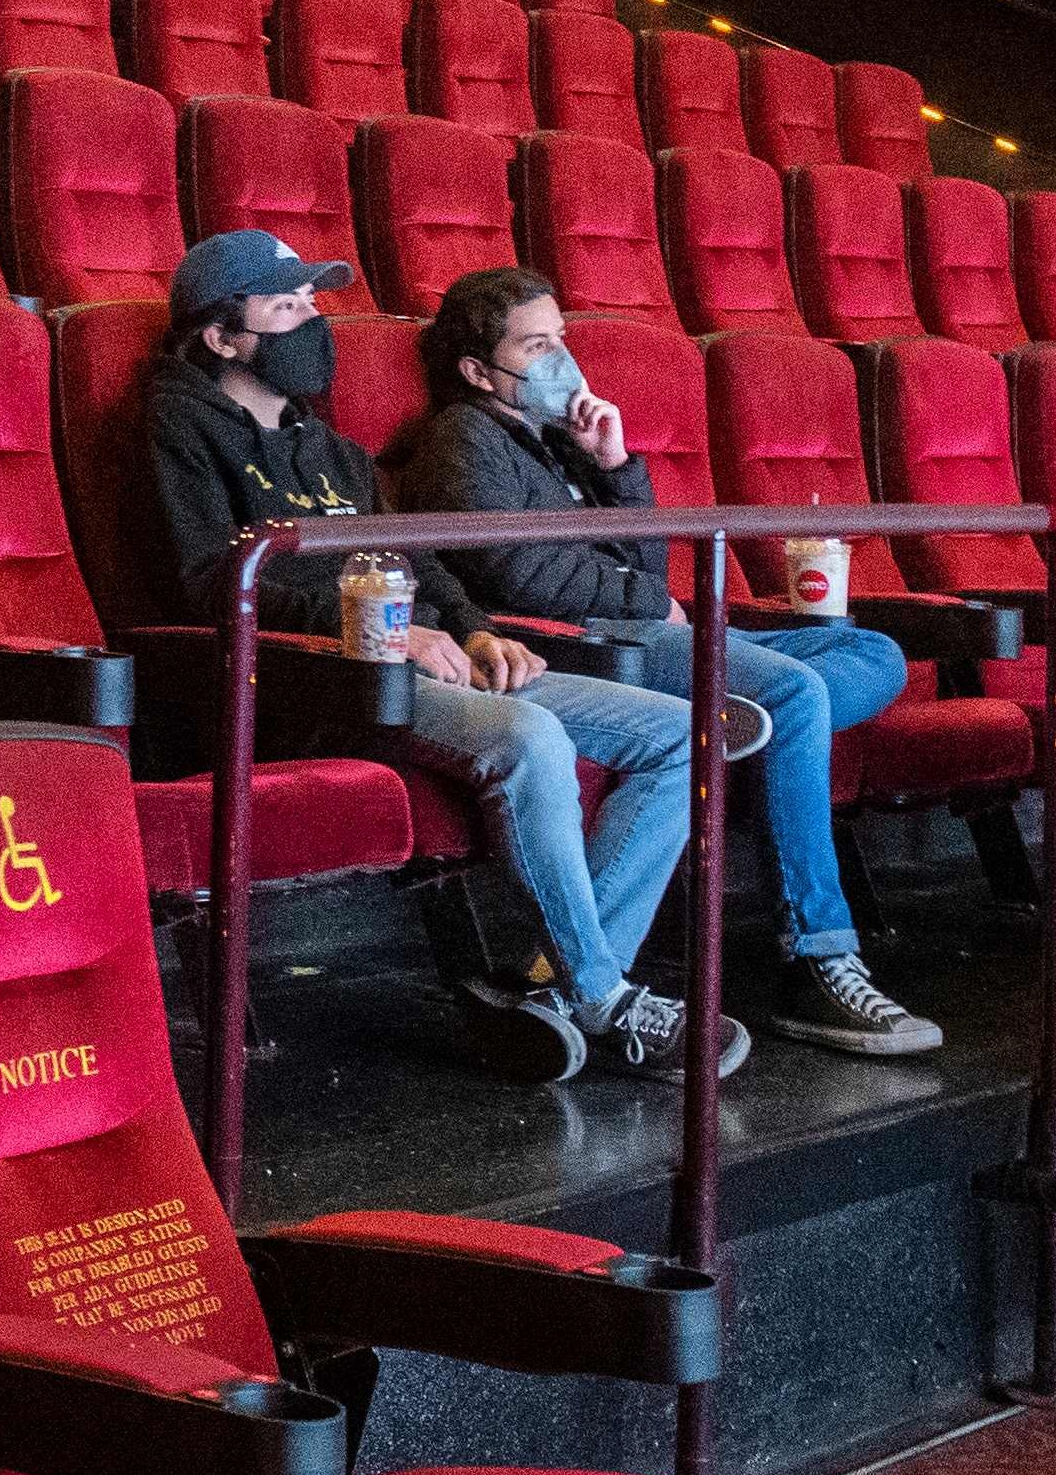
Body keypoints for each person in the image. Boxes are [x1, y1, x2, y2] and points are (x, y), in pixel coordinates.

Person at [139, 229, 724, 1087]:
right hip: (317, 680)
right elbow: (204, 584)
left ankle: (548, 992)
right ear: (223, 337)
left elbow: (421, 560)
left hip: (425, 661)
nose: (312, 325)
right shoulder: (179, 427)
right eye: (286, 307)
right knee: (530, 739)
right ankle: (603, 996)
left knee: (684, 733)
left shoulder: (332, 450)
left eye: (314, 305)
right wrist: (378, 632)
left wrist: (476, 627)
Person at [393, 269, 941, 1057]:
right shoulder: (463, 438)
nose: (561, 362)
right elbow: (509, 571)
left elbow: (647, 565)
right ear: (479, 372)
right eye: (536, 345)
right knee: (793, 691)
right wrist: (644, 603)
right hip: (588, 645)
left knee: (871, 651)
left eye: (562, 340)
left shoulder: (555, 441)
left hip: (648, 629)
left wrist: (613, 465)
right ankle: (817, 959)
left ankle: (765, 726)